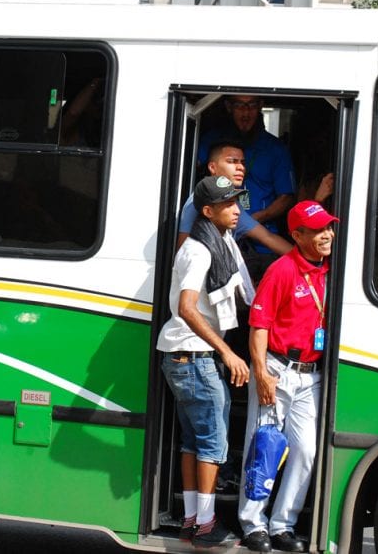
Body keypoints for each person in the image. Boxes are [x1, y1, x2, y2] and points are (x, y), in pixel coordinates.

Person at [157, 175, 252, 548]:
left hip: (183, 358)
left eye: (237, 202)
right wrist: (227, 351)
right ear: (208, 211)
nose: (236, 210)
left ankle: (193, 520)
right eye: (228, 205)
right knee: (213, 444)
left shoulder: (214, 242)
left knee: (193, 443)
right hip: (196, 359)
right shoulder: (200, 250)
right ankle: (207, 526)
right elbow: (186, 306)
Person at [239, 199, 338, 553]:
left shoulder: (333, 270)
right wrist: (262, 373)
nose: (327, 234)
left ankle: (283, 525)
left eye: (328, 227)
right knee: (263, 448)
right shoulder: (281, 270)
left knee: (305, 452)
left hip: (311, 376)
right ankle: (253, 524)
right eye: (318, 230)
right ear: (297, 235)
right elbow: (258, 326)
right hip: (278, 370)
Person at [198, 96, 296, 272]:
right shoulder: (211, 142)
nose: (245, 112)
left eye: (251, 105)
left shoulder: (276, 149)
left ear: (260, 106)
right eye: (239, 105)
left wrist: (308, 262)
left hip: (262, 246)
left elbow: (286, 198)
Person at [178, 141, 294, 258]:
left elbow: (267, 237)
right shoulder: (198, 203)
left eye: (243, 163)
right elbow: (184, 254)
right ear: (212, 167)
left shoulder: (233, 205)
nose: (241, 167)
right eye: (232, 161)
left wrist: (307, 262)